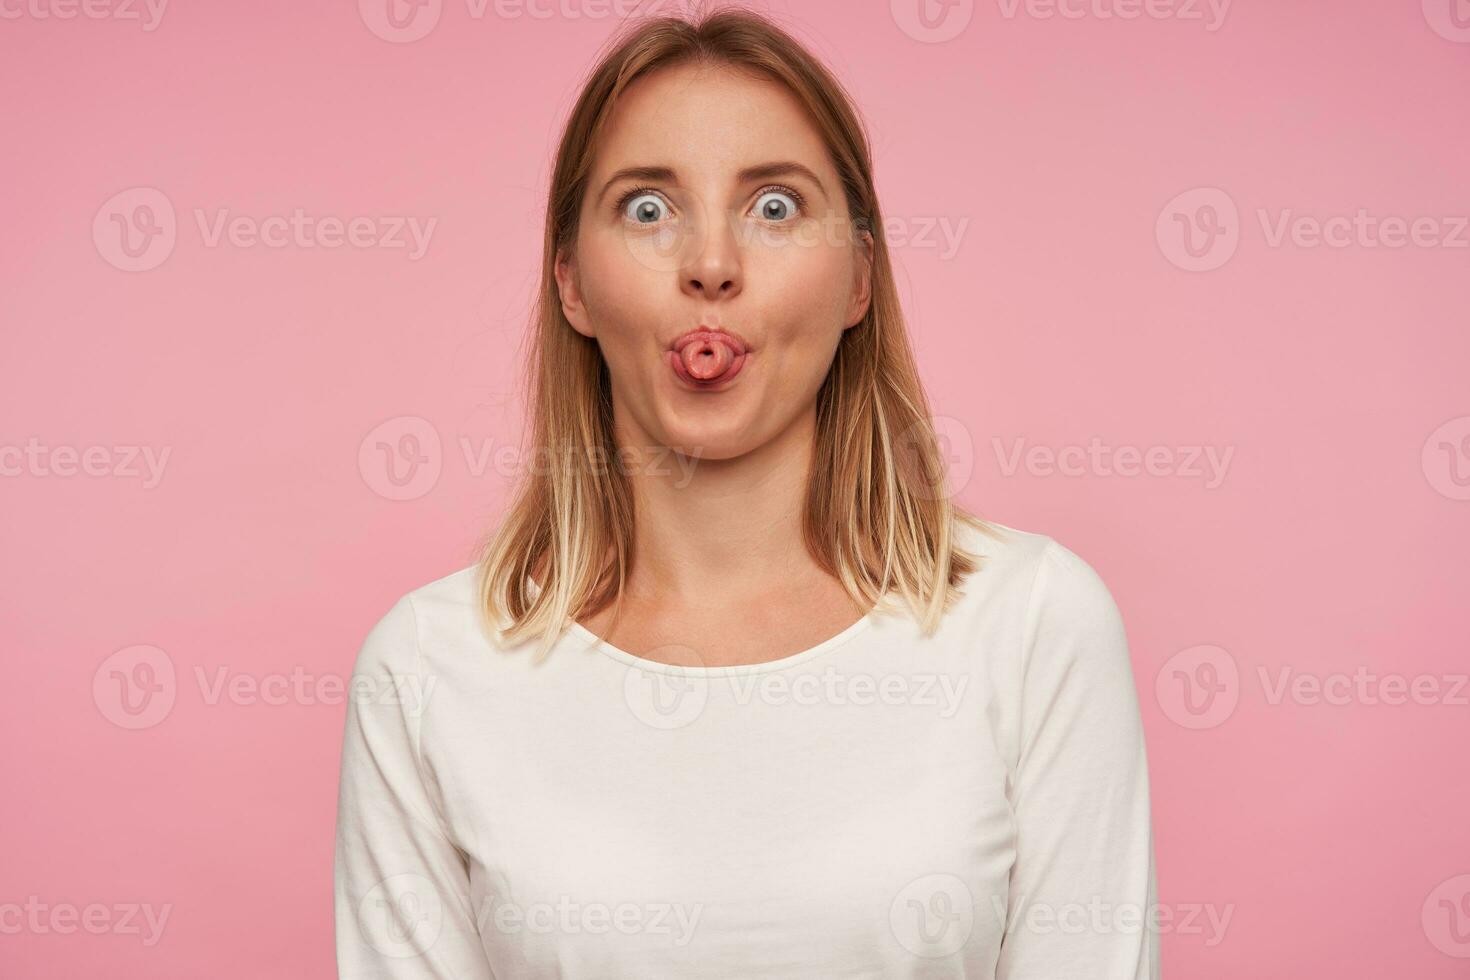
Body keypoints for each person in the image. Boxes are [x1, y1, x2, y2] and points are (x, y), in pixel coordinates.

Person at [334, 7, 1158, 978]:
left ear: (859, 274)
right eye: (648, 209)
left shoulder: (1032, 623)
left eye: (774, 207)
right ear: (572, 284)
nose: (712, 266)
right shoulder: (428, 668)